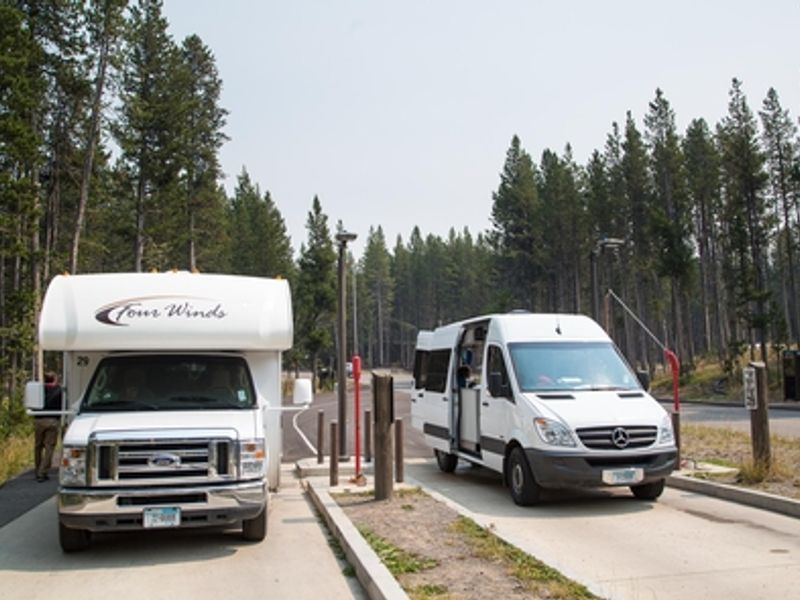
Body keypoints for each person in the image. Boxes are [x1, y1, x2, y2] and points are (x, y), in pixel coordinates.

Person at [34, 371, 62, 482]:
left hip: (38, 420)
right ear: (54, 379)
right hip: (52, 420)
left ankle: (37, 470)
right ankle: (43, 471)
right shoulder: (59, 390)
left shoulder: (39, 390)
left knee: (38, 446)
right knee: (49, 447)